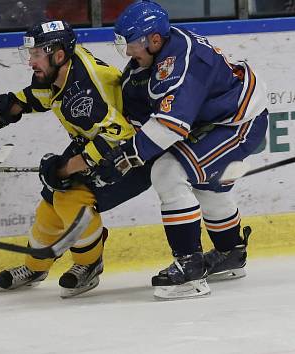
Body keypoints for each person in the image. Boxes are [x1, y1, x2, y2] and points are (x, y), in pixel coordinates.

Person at [97, 0, 268, 299]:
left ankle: (190, 271)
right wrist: (107, 152)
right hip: (214, 122)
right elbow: (139, 117)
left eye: (131, 44)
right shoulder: (149, 61)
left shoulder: (181, 62)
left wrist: (125, 159)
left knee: (169, 172)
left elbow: (169, 128)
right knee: (204, 183)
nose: (127, 52)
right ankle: (231, 253)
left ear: (154, 39)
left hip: (238, 121)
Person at [0, 20, 152, 298]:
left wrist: (67, 167)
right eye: (30, 54)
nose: (31, 62)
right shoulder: (64, 67)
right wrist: (9, 106)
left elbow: (120, 134)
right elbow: (45, 94)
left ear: (58, 55)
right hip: (99, 142)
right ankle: (36, 266)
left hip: (134, 154)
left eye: (36, 55)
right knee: (50, 203)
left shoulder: (85, 89)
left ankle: (89, 264)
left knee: (72, 198)